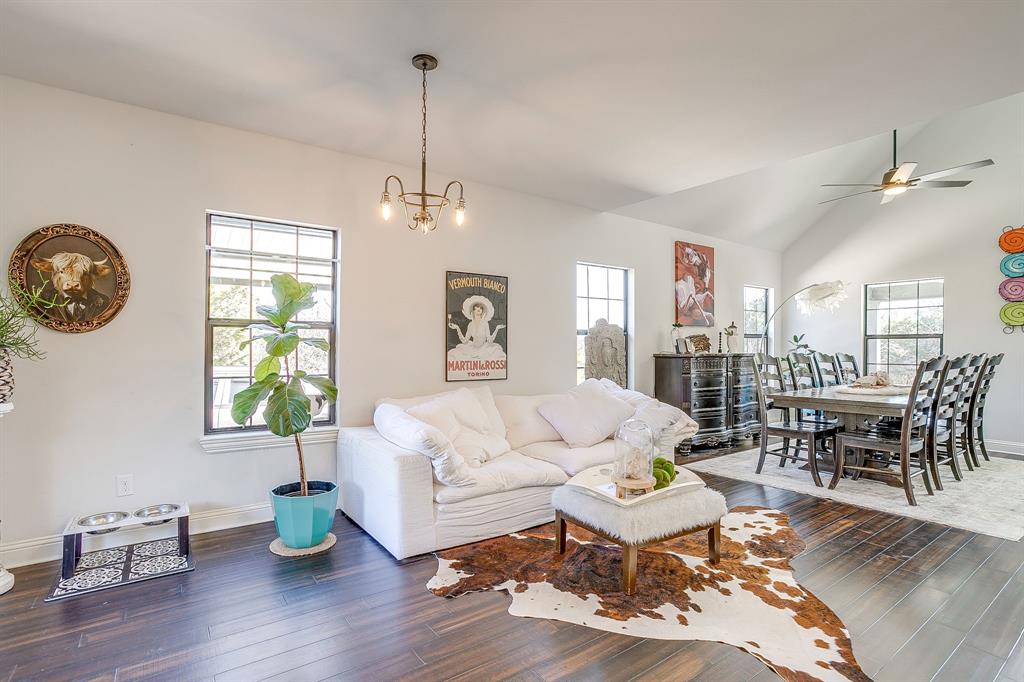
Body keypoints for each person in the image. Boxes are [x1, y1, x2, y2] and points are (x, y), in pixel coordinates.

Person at [447, 295, 506, 361]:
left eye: (481, 308)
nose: (479, 309)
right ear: (473, 310)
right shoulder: (470, 325)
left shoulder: (485, 323)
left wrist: (496, 329)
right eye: (477, 307)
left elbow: (490, 341)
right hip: (472, 349)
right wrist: (457, 328)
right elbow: (464, 341)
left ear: (482, 311)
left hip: (484, 349)